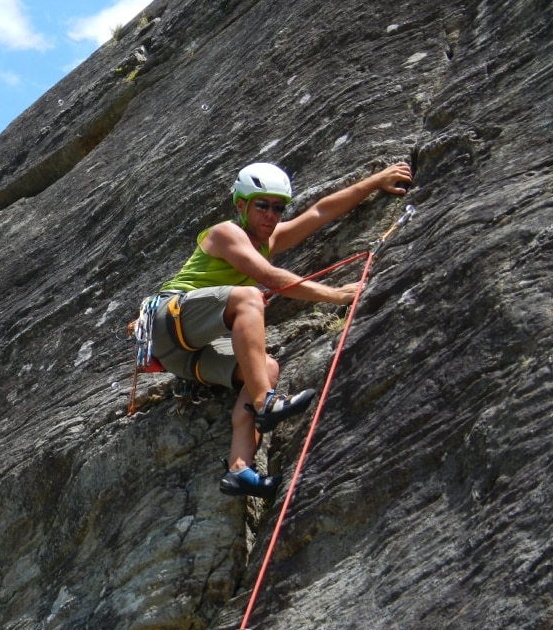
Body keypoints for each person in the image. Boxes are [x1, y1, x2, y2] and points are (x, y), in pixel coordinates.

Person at [146, 160, 413, 499]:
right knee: (249, 298)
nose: (271, 215)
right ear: (241, 205)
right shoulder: (226, 233)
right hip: (167, 320)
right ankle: (265, 405)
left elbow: (318, 214)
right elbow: (270, 278)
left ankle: (239, 469)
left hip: (184, 358)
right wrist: (335, 295)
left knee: (265, 368)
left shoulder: (266, 241)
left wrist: (375, 182)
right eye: (262, 205)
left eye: (278, 207)